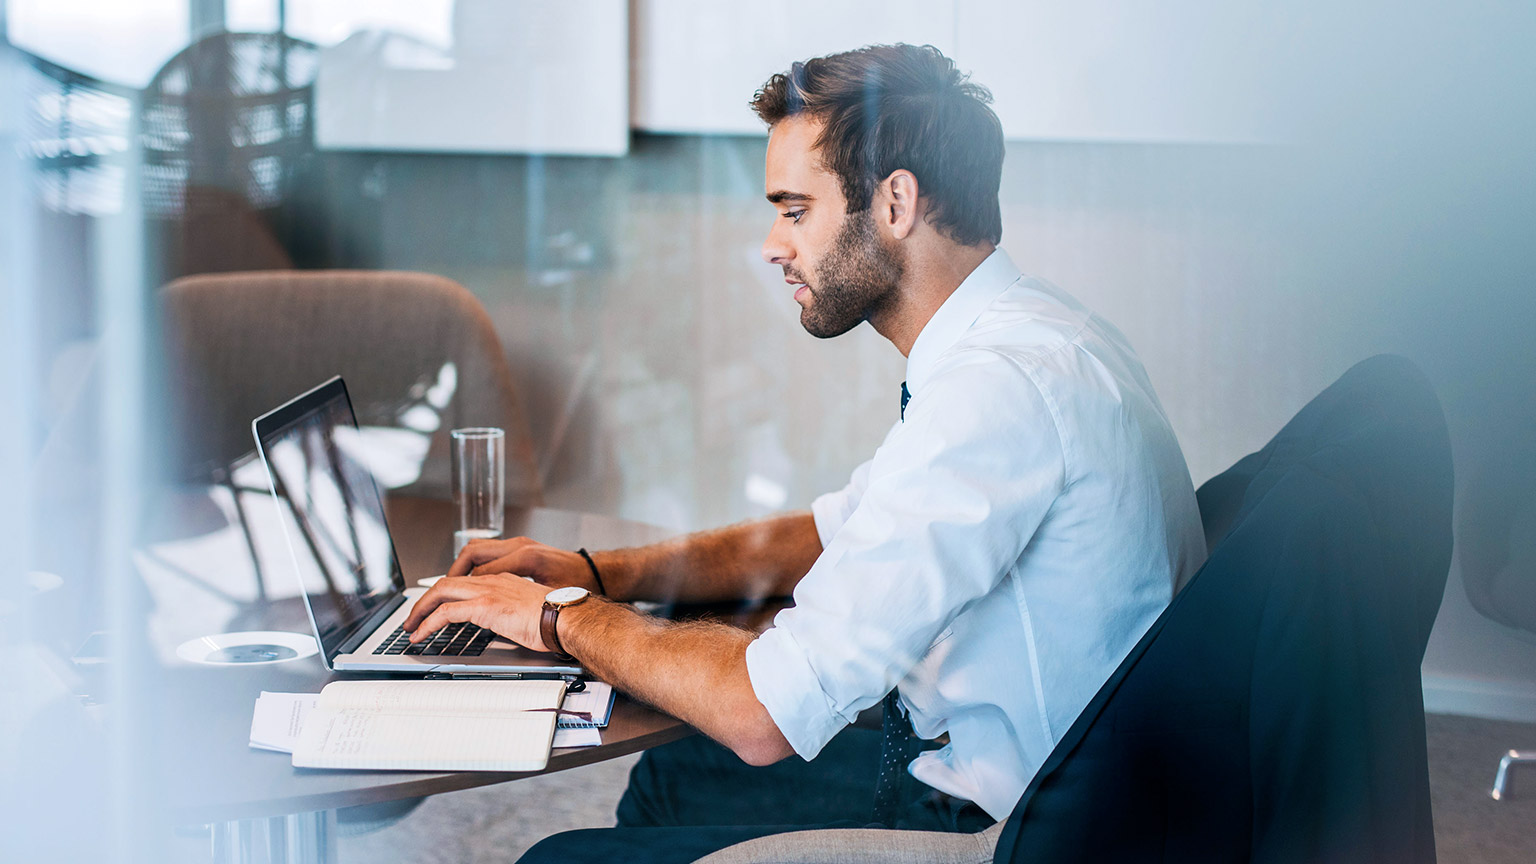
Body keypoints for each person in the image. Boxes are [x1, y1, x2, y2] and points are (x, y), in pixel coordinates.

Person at [403, 43, 1206, 863]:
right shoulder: (1034, 336)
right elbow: (837, 531)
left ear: (895, 202)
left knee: (558, 859)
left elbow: (762, 714)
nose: (772, 246)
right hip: (1029, 781)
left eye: (794, 210)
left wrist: (555, 617)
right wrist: (601, 572)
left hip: (1016, 835)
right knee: (674, 776)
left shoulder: (994, 393)